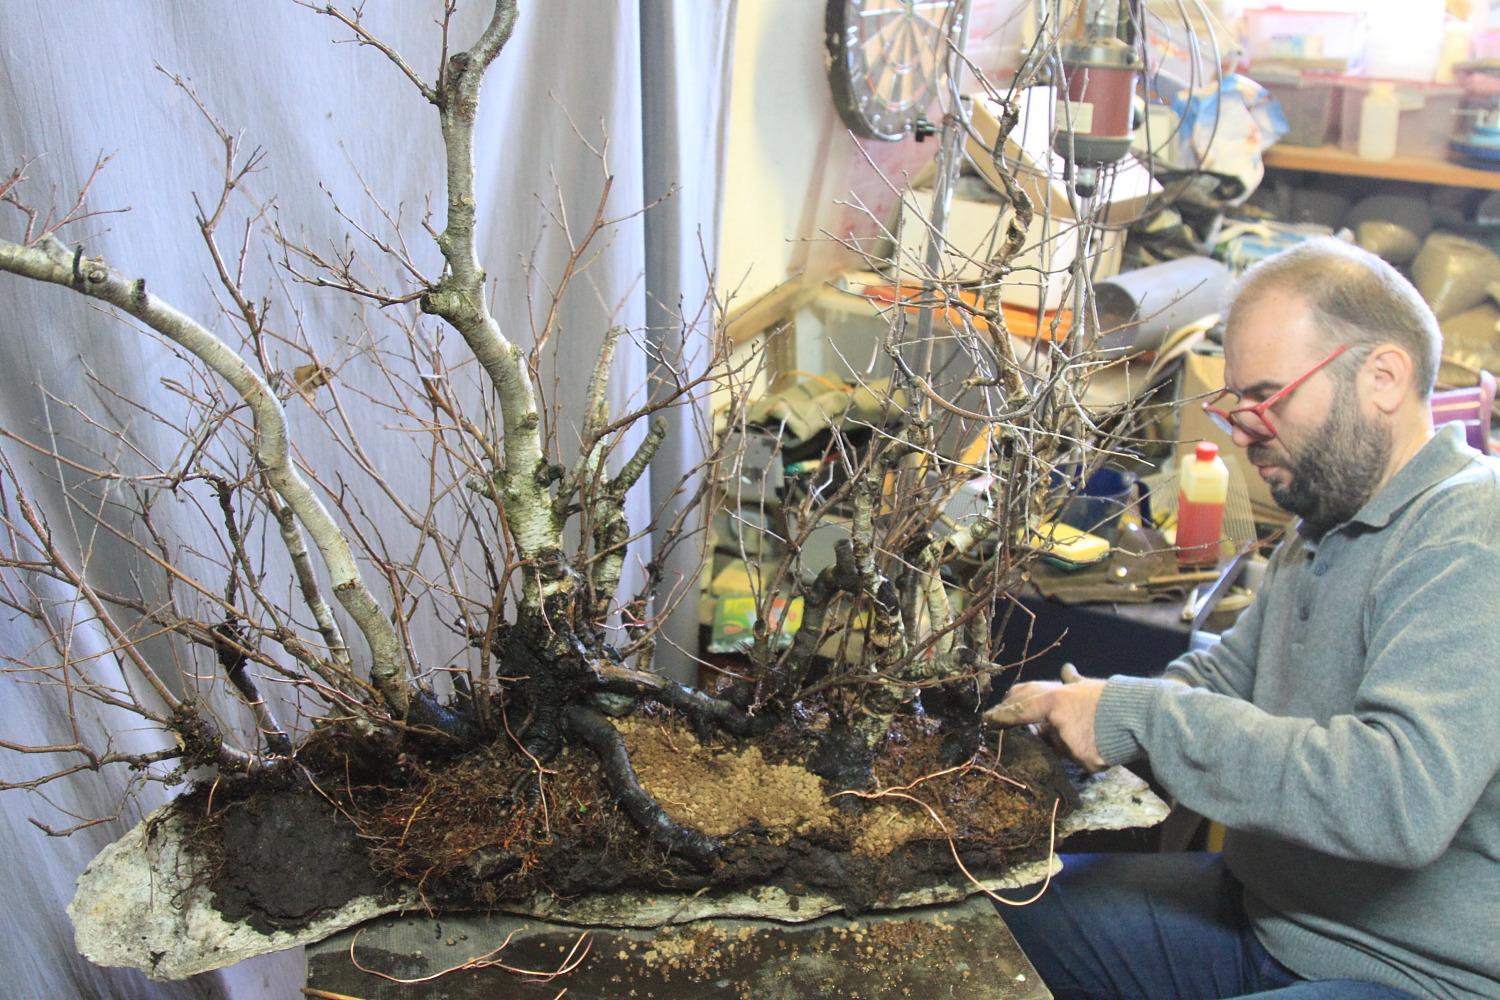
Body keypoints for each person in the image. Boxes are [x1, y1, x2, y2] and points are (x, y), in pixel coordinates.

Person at [988, 237, 1500, 1000]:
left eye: (1267, 398)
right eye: (1235, 405)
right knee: (992, 929)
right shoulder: (1327, 519)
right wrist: (1092, 708)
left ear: (1384, 378)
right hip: (1268, 915)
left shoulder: (1470, 537)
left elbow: (1398, 799)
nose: (1242, 431)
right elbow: (1227, 677)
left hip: (1412, 971)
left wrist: (1142, 716)